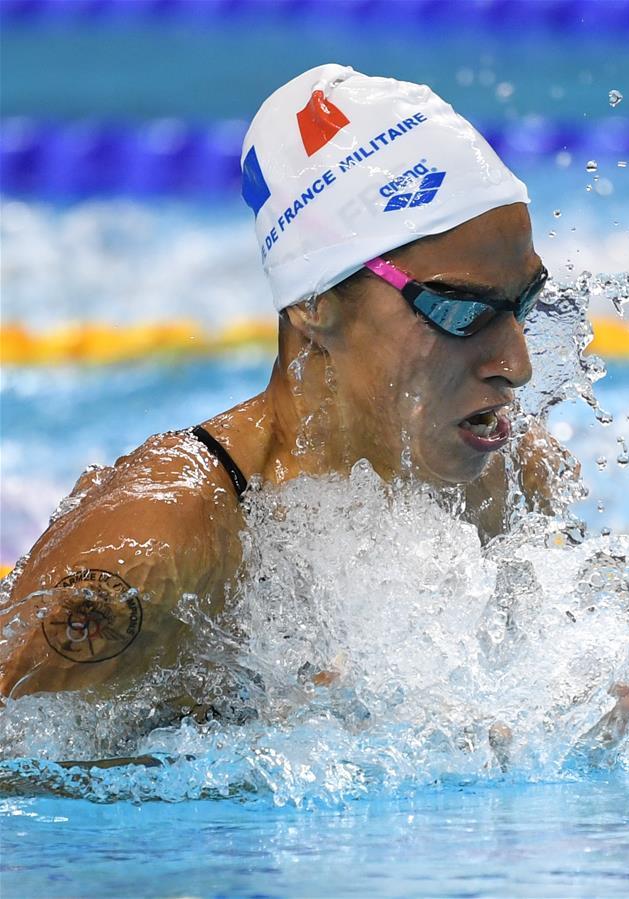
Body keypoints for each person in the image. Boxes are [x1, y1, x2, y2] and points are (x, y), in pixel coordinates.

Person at [0, 64, 569, 708]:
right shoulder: (158, 553)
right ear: (314, 303)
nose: (517, 364)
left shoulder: (511, 478)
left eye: (524, 303)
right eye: (459, 311)